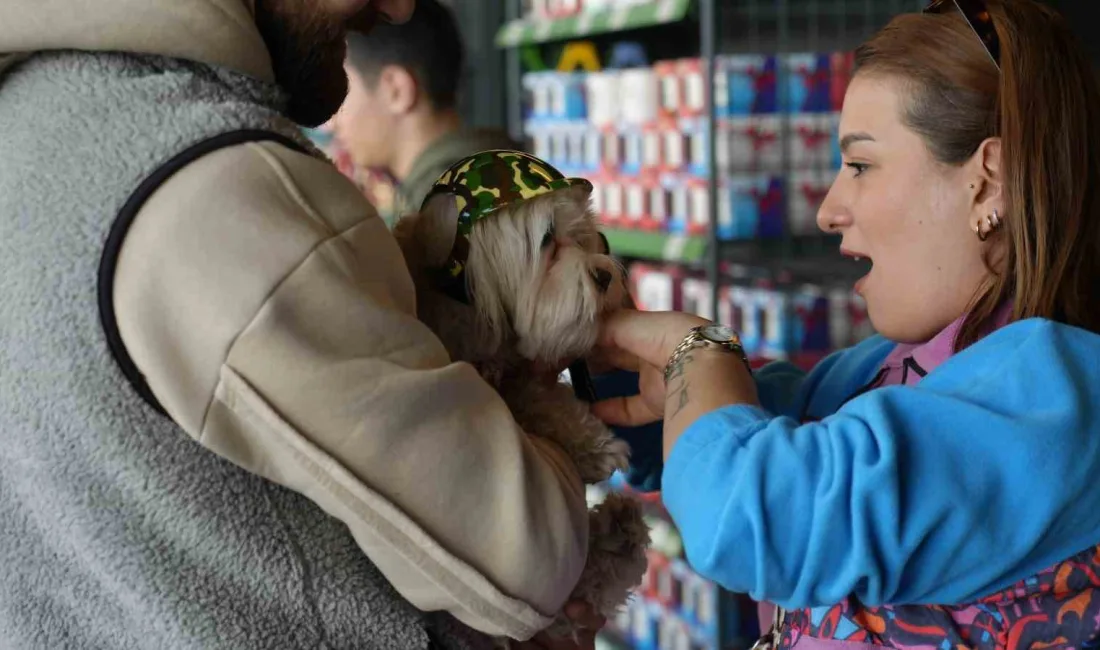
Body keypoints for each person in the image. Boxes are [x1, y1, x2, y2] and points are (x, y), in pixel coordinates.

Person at [0, 1, 600, 649]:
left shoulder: (34, 121)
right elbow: (527, 556)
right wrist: (562, 426)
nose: (399, 6)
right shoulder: (217, 187)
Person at [594, 0, 1100, 648]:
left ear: (987, 184)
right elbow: (742, 430)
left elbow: (748, 514)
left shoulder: (1059, 403)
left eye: (860, 165)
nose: (830, 209)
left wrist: (700, 348)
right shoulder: (882, 365)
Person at [333, 0, 519, 225]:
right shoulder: (498, 170)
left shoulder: (441, 217)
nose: (332, 123)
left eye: (342, 90)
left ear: (397, 90)